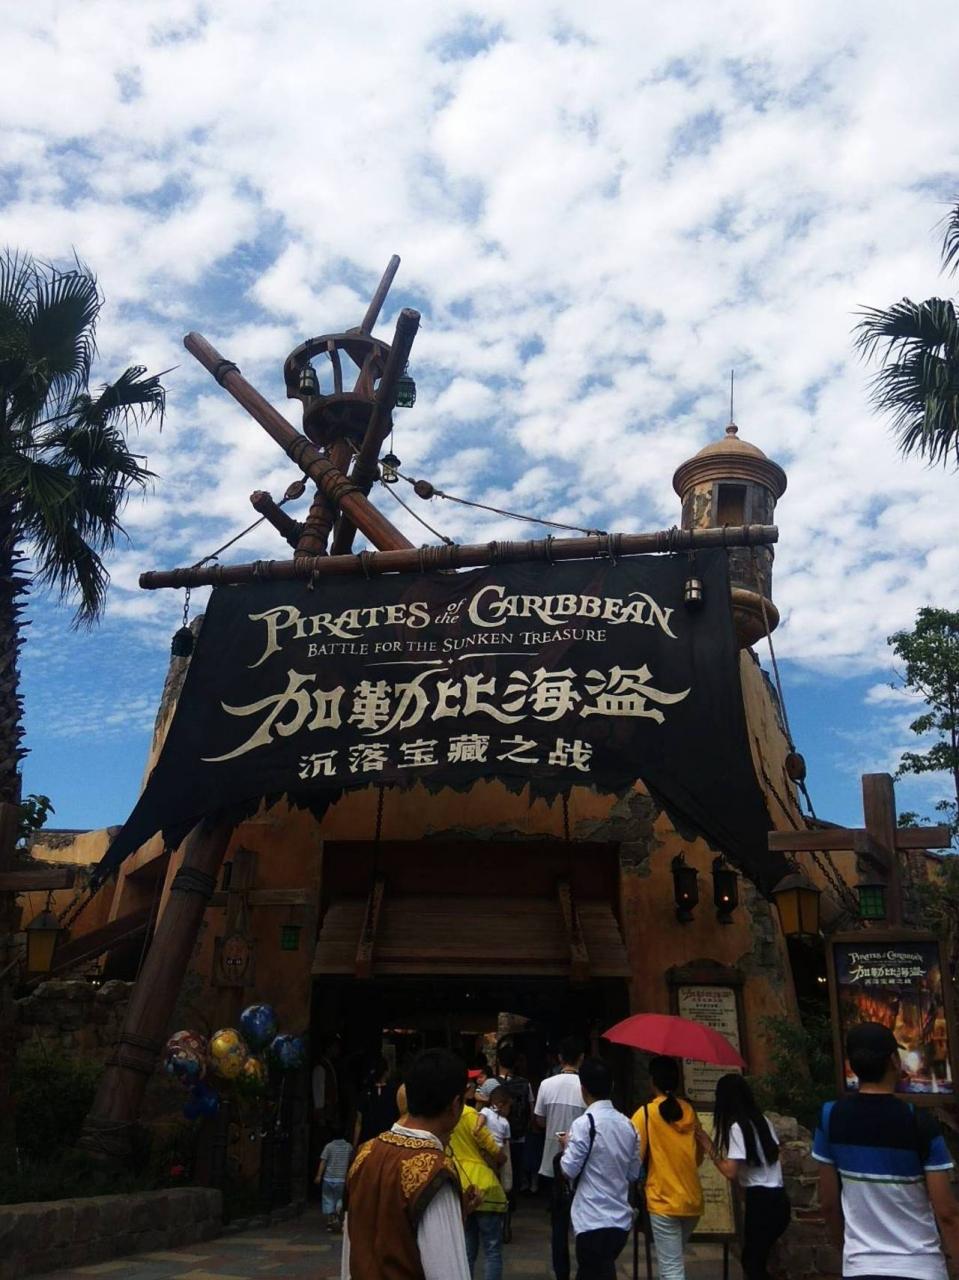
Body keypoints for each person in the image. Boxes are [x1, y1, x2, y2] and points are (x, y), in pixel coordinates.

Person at [813, 1022, 959, 1280]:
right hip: (920, 1268)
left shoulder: (830, 1117)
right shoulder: (919, 1122)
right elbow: (947, 1213)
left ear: (852, 1065)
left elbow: (828, 1204)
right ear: (894, 1061)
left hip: (860, 1267)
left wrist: (848, 1252)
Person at [341, 1047, 470, 1280]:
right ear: (455, 1104)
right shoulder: (435, 1171)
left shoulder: (365, 1154)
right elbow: (448, 1271)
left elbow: (351, 1250)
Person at [697, 1073, 790, 1280]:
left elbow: (730, 1171)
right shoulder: (763, 1120)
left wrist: (709, 1146)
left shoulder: (738, 1128)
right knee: (758, 1260)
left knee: (752, 1263)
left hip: (761, 1201)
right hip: (779, 1198)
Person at [559, 1057, 641, 1280]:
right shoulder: (629, 1125)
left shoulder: (584, 1124)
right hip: (619, 1220)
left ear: (583, 1089)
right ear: (611, 1086)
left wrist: (566, 1146)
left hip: (591, 1217)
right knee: (603, 1270)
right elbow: (633, 1173)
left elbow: (568, 1169)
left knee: (591, 1271)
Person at [631, 1055, 704, 1280]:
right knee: (673, 1260)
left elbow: (633, 1156)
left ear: (652, 1080)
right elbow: (698, 1157)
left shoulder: (646, 1113)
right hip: (691, 1199)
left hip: (663, 1199)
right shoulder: (689, 1111)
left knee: (671, 1268)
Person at [534, 1035, 586, 1280]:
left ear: (559, 1058)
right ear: (581, 1058)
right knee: (583, 1222)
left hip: (552, 1161)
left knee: (558, 1225)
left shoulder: (547, 1085)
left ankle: (561, 1273)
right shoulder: (586, 1087)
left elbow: (540, 1121)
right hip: (582, 1163)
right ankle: (585, 1270)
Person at [448, 1092, 508, 1280]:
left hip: (459, 1183)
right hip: (483, 1184)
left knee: (467, 1246)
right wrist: (501, 1158)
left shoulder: (442, 1117)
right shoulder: (468, 1114)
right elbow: (488, 1142)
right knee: (492, 1248)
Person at [495, 1042, 535, 1192]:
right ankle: (517, 1193)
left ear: (498, 1061)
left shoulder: (492, 1083)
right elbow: (531, 1109)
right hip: (519, 1134)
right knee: (516, 1169)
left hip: (497, 1136)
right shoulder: (525, 1083)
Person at [354, 1055, 399, 1146]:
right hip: (388, 1141)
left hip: (367, 1141)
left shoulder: (365, 1092)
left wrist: (355, 1145)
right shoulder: (395, 1091)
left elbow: (359, 1121)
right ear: (386, 1072)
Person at [315, 1129, 352, 1232]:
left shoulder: (329, 1146)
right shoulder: (348, 1147)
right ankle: (338, 1215)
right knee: (339, 1199)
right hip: (341, 1179)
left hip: (328, 1178)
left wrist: (319, 1176)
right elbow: (351, 1160)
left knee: (328, 1199)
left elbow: (323, 1161)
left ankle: (330, 1221)